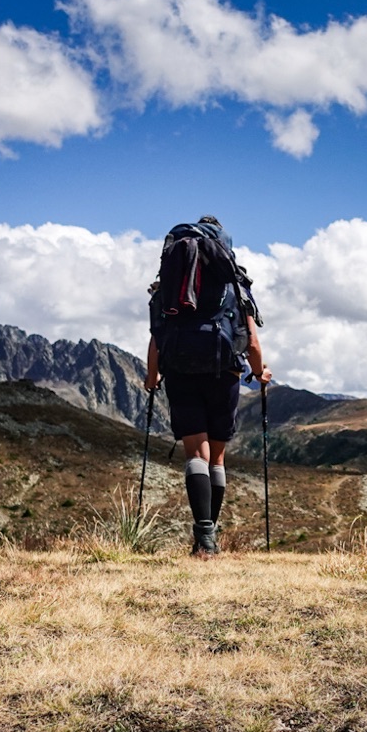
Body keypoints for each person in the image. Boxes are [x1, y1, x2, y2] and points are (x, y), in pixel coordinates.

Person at [144, 216, 271, 558]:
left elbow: (157, 336)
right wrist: (260, 373)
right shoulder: (234, 282)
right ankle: (209, 538)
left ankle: (204, 540)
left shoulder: (170, 282)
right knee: (215, 457)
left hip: (181, 371)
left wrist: (152, 376)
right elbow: (253, 344)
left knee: (194, 454)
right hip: (224, 373)